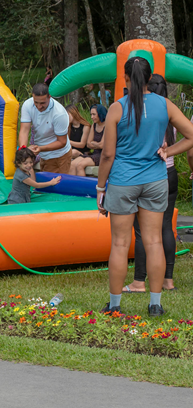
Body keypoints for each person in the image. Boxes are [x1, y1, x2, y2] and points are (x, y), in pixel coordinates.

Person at [97, 58, 193, 317]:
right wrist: (168, 150)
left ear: (125, 78)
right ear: (150, 78)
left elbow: (107, 155)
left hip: (123, 181)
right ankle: (155, 304)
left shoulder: (117, 108)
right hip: (155, 181)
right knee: (153, 242)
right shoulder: (165, 104)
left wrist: (100, 188)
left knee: (119, 244)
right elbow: (191, 134)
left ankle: (115, 305)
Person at [125, 75, 179, 294]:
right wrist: (169, 152)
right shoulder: (169, 110)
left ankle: (139, 280)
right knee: (166, 226)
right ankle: (168, 280)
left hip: (149, 174)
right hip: (170, 171)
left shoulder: (145, 111)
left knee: (142, 231)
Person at [18, 83, 72, 174]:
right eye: (36, 102)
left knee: (55, 185)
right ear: (33, 97)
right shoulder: (27, 105)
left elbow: (62, 142)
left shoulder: (59, 113)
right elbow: (24, 130)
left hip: (59, 155)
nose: (39, 106)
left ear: (49, 97)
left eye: (43, 103)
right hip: (43, 153)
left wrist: (40, 148)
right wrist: (23, 149)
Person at [69, 104, 107, 176]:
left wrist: (95, 144)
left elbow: (102, 145)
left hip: (102, 155)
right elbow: (88, 144)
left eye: (94, 114)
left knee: (80, 165)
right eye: (91, 114)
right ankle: (72, 185)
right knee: (72, 164)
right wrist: (97, 144)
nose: (92, 117)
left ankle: (81, 186)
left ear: (100, 114)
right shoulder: (94, 125)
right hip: (93, 154)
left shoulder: (107, 125)